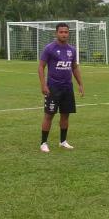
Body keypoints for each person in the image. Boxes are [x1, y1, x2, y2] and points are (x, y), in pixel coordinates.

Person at [38, 23, 84, 152]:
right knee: (49, 115)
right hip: (53, 87)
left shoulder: (72, 50)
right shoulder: (49, 48)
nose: (64, 34)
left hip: (67, 87)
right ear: (56, 33)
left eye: (66, 32)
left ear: (68, 33)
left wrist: (80, 84)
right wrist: (43, 85)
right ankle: (43, 143)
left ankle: (63, 141)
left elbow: (74, 67)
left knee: (65, 115)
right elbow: (41, 67)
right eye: (61, 32)